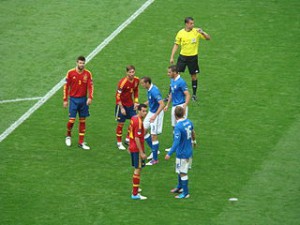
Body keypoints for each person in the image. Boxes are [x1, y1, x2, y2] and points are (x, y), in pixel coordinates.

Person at [170, 17, 211, 101]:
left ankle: (194, 95)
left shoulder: (196, 31)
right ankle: (170, 94)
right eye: (191, 23)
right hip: (182, 57)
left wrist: (203, 32)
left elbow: (208, 38)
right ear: (187, 24)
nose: (193, 25)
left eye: (193, 23)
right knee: (175, 74)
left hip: (193, 58)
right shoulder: (180, 33)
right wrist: (172, 56)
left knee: (193, 76)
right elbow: (176, 44)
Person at [165, 106, 196, 199]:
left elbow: (176, 142)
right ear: (183, 113)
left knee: (183, 172)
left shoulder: (178, 126)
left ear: (175, 115)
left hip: (182, 153)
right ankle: (179, 187)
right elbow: (193, 132)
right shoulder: (189, 122)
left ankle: (185, 193)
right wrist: (194, 141)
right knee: (180, 170)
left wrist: (169, 153)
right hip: (189, 151)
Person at [63, 56, 93, 150]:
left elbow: (90, 86)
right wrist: (65, 99)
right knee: (71, 120)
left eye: (83, 63)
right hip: (73, 100)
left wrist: (90, 97)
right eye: (80, 63)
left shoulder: (88, 74)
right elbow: (66, 86)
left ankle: (81, 142)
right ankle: (68, 135)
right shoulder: (70, 73)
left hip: (83, 100)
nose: (81, 65)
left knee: (82, 121)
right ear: (76, 63)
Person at [164, 65, 190, 152]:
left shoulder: (181, 82)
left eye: (169, 72)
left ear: (174, 73)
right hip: (174, 106)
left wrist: (185, 105)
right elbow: (171, 93)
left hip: (180, 106)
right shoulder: (172, 80)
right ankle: (175, 145)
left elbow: (187, 94)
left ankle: (184, 145)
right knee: (174, 127)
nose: (168, 74)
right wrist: (167, 105)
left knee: (182, 126)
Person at [140, 77, 165, 165]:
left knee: (154, 135)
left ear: (147, 83)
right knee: (143, 129)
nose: (141, 85)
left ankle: (155, 159)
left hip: (156, 114)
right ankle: (155, 150)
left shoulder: (154, 91)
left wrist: (155, 115)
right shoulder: (149, 89)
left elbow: (162, 104)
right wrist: (141, 105)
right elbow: (151, 101)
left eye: (142, 83)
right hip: (152, 111)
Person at [115, 65, 140, 150]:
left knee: (134, 121)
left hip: (131, 105)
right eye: (130, 72)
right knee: (121, 124)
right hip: (122, 105)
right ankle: (119, 142)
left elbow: (136, 90)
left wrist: (136, 102)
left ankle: (127, 138)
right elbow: (117, 96)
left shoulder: (137, 80)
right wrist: (121, 108)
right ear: (127, 73)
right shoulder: (123, 82)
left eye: (133, 72)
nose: (132, 74)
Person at [128, 104, 148, 200]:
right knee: (138, 169)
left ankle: (135, 188)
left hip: (132, 147)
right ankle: (135, 194)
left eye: (145, 111)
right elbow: (137, 138)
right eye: (143, 111)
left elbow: (129, 131)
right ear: (139, 111)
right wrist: (141, 152)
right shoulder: (139, 122)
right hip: (136, 148)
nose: (145, 113)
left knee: (136, 168)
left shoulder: (133, 118)